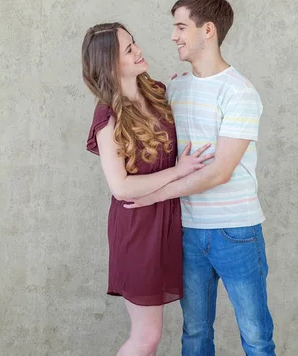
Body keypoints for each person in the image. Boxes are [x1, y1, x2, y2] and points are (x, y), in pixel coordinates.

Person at [124, 0, 276, 355]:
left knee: (255, 337)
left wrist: (151, 195)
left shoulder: (240, 93)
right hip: (188, 232)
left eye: (180, 27)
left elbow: (218, 172)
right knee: (194, 333)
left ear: (207, 30)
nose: (173, 36)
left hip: (236, 231)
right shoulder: (175, 89)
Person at [82, 22, 214, 356]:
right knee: (147, 336)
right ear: (111, 64)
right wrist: (177, 171)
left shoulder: (157, 91)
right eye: (129, 50)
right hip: (137, 228)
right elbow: (121, 187)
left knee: (158, 334)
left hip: (169, 224)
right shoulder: (108, 117)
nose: (139, 51)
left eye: (134, 43)